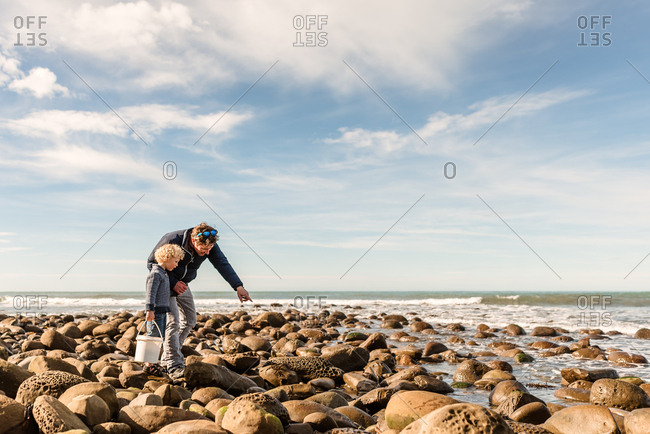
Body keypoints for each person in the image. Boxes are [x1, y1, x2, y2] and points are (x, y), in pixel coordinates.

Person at [147, 222, 253, 379]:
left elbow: (222, 264)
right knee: (173, 322)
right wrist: (174, 282)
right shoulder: (172, 239)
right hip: (166, 283)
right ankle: (173, 364)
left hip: (183, 285)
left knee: (190, 320)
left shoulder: (210, 245)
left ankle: (167, 355)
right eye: (203, 249)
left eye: (209, 249)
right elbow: (152, 263)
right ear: (193, 240)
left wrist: (238, 286)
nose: (206, 252)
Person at [143, 243, 184, 376]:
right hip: (155, 312)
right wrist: (149, 310)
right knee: (153, 338)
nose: (176, 265)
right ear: (166, 258)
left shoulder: (164, 273)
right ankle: (149, 365)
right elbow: (150, 293)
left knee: (159, 337)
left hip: (162, 311)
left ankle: (152, 363)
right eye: (175, 261)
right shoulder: (156, 274)